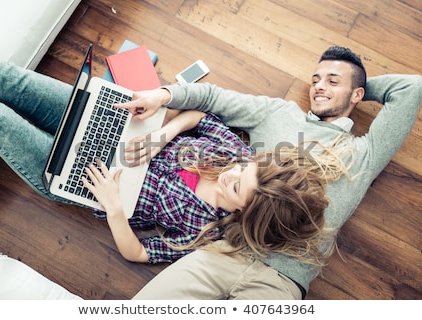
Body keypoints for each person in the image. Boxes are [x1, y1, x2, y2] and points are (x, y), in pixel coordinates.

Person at [0, 53, 346, 267]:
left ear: (244, 212)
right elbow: (200, 117)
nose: (233, 170)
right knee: (6, 79)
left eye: (236, 185)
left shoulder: (208, 231)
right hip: (109, 125)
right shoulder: (240, 156)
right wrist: (161, 135)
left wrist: (115, 209)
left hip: (82, 180)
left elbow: (137, 252)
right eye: (243, 168)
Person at [114, 46, 422, 299]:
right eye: (316, 79)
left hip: (281, 281)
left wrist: (359, 85)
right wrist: (164, 95)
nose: (319, 86)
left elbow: (412, 88)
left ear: (357, 95)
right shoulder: (279, 113)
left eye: (332, 80)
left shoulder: (363, 153)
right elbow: (212, 98)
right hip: (225, 251)